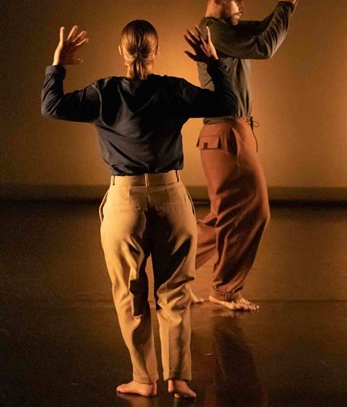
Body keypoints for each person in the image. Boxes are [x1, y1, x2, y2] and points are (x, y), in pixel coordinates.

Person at [41, 21, 237, 398]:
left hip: (124, 202)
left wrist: (58, 64)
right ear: (156, 51)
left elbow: (51, 106)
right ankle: (177, 378)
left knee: (131, 295)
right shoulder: (172, 89)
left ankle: (143, 380)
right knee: (175, 292)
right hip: (171, 198)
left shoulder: (104, 92)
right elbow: (229, 105)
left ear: (122, 51)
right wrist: (213, 62)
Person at [193, 0, 318, 311]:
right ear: (218, 0)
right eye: (238, 1)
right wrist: (285, 4)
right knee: (255, 211)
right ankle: (224, 289)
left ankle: (172, 278)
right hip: (226, 132)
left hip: (232, 131)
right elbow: (265, 46)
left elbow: (264, 28)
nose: (243, 7)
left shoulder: (224, 31)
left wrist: (291, 0)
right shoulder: (215, 32)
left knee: (222, 218)